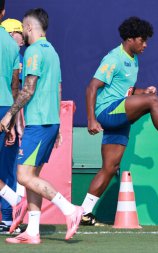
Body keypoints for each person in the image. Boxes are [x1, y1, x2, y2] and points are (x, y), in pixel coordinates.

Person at [80, 16, 158, 225]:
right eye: (142, 40)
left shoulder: (133, 60)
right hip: (108, 112)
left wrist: (142, 92)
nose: (145, 45)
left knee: (109, 167)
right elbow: (92, 87)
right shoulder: (113, 58)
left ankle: (83, 213)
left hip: (120, 115)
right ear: (130, 39)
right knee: (153, 101)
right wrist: (90, 119)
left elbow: (126, 90)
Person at [0, 8, 83, 244]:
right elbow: (57, 89)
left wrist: (9, 116)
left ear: (28, 28)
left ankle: (69, 209)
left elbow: (28, 89)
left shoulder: (34, 52)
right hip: (48, 122)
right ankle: (33, 231)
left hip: (38, 123)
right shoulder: (52, 52)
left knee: (24, 176)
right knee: (31, 176)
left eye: (23, 30)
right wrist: (57, 126)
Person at [0, 0, 25, 234]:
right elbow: (15, 85)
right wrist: (14, 117)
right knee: (6, 166)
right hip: (7, 107)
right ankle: (9, 219)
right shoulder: (11, 45)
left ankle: (15, 202)